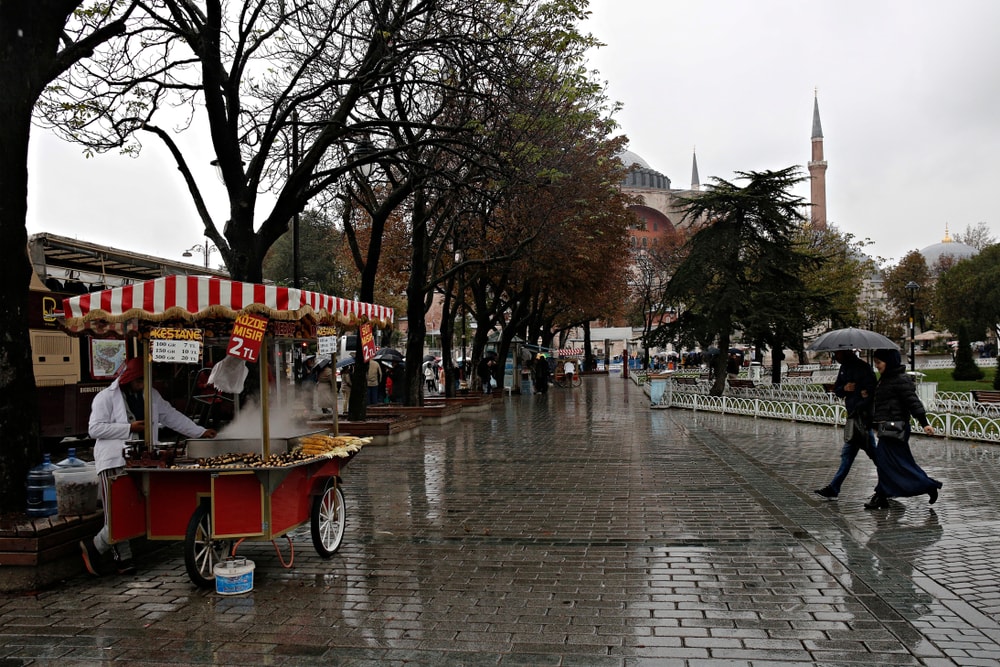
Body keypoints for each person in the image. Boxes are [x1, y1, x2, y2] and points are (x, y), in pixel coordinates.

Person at [81, 358, 216, 576]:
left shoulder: (151, 395)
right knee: (117, 512)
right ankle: (108, 552)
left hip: (140, 460)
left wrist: (199, 431)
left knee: (131, 508)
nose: (142, 385)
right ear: (128, 379)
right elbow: (94, 429)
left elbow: (171, 416)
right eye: (139, 381)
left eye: (145, 380)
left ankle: (109, 553)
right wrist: (129, 427)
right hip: (113, 460)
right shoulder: (105, 397)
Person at [864, 348, 940, 510]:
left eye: (879, 362)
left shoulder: (900, 380)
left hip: (897, 429)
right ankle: (882, 496)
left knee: (894, 463)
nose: (876, 366)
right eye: (876, 362)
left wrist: (924, 423)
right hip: (887, 428)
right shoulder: (885, 379)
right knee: (889, 463)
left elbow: (913, 403)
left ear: (889, 362)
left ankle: (927, 485)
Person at [814, 349, 877, 499]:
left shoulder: (864, 368)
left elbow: (872, 389)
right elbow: (837, 389)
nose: (835, 356)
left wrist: (863, 397)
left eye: (837, 354)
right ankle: (834, 488)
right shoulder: (844, 368)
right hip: (853, 417)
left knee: (870, 455)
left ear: (845, 352)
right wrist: (845, 388)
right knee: (850, 455)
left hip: (862, 418)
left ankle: (889, 483)